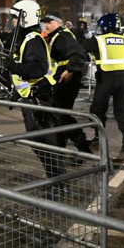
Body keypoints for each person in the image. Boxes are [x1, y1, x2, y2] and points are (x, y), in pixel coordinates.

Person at [3, 0, 62, 179]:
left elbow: (37, 69)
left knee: (44, 142)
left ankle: (58, 182)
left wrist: (13, 66)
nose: (12, 21)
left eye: (15, 18)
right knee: (40, 141)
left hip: (39, 97)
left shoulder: (32, 40)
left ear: (24, 18)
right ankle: (55, 180)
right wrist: (17, 92)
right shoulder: (28, 39)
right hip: (32, 96)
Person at [82, 13, 124, 152]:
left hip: (106, 78)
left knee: (98, 109)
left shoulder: (99, 40)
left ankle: (99, 137)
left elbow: (81, 48)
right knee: (122, 109)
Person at [43, 11, 92, 154]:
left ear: (57, 23)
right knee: (60, 115)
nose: (46, 25)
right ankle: (61, 149)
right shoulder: (56, 36)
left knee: (62, 115)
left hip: (68, 78)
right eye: (45, 22)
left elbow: (79, 54)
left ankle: (83, 149)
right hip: (62, 77)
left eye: (49, 22)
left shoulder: (63, 36)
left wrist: (70, 70)